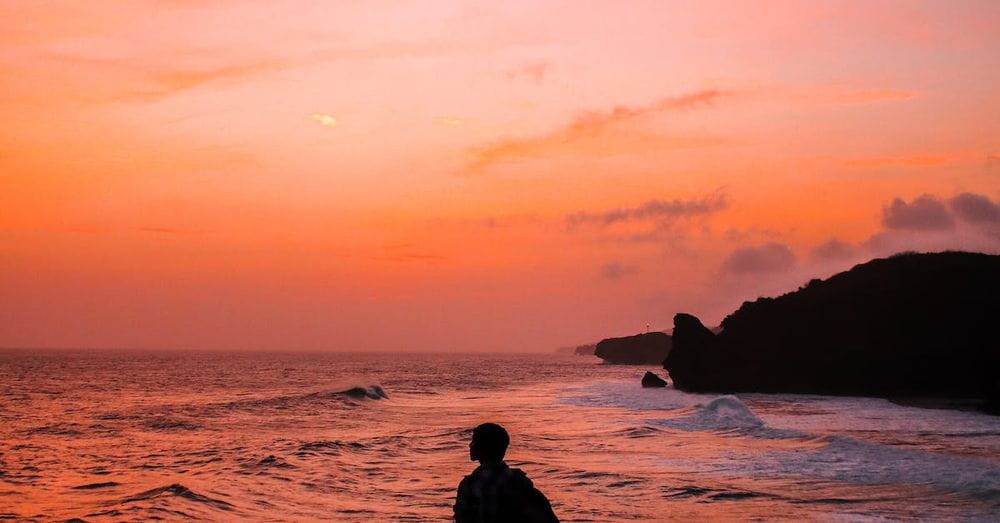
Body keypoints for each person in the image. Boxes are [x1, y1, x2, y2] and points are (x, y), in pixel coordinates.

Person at [453, 423, 559, 523]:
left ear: (482, 448)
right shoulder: (519, 482)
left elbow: (461, 519)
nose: (470, 445)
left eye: (474, 441)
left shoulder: (470, 484)